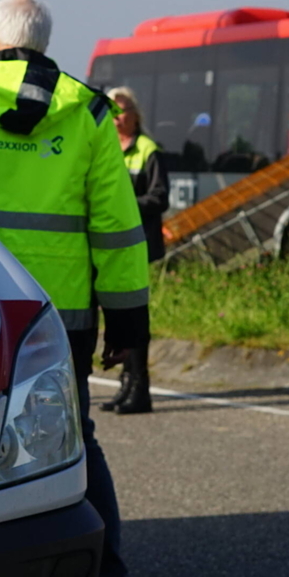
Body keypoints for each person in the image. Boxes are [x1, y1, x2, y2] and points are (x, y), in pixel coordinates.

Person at [0, 0, 148, 577]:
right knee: (73, 436)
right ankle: (103, 563)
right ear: (45, 43)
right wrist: (129, 323)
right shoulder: (89, 112)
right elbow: (117, 228)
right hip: (61, 314)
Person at [99, 87, 168, 415]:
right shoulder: (107, 146)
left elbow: (159, 197)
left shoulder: (147, 149)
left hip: (139, 246)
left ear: (136, 114)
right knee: (122, 316)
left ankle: (141, 389)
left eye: (123, 111)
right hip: (114, 246)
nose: (117, 118)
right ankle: (126, 386)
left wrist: (125, 206)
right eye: (112, 111)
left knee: (136, 316)